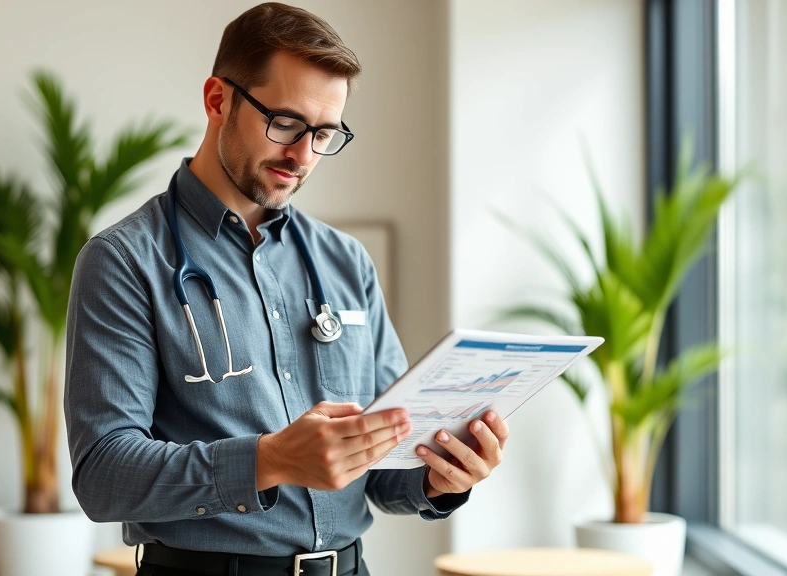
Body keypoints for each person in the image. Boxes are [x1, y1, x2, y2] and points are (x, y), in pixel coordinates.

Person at [64, 3, 509, 575]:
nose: (302, 155)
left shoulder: (345, 261)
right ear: (217, 100)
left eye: (324, 134)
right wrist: (267, 461)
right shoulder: (124, 261)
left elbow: (385, 464)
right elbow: (103, 476)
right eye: (286, 123)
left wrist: (440, 475)